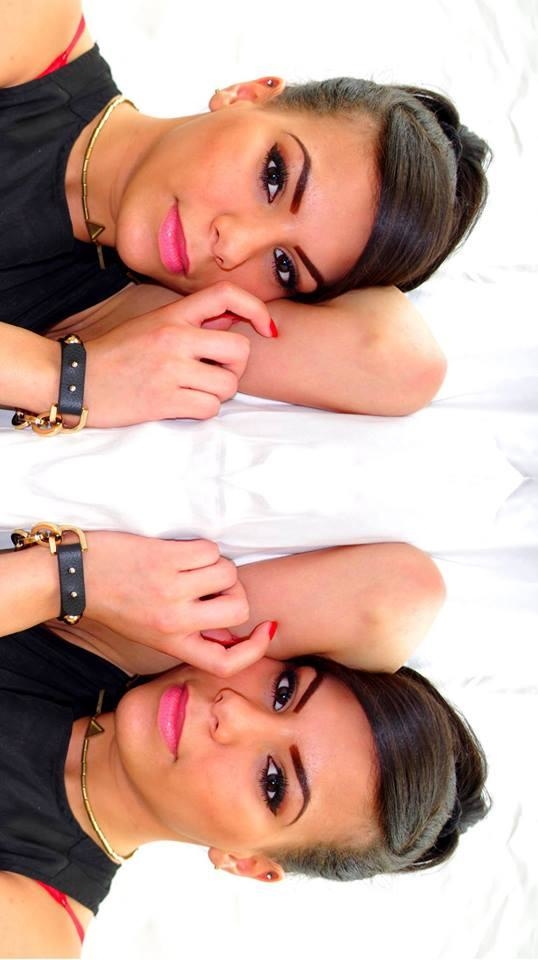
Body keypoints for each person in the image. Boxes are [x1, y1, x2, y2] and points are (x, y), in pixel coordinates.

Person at [0, 0, 491, 427]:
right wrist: (64, 376)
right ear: (248, 94)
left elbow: (400, 362)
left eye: (284, 265)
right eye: (273, 177)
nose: (233, 246)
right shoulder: (35, 32)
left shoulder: (122, 313)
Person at [0, 587, 489, 956]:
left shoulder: (34, 927)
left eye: (273, 783)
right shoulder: (107, 637)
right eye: (283, 691)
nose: (232, 711)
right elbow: (400, 592)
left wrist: (60, 576)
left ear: (248, 863)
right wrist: (70, 577)